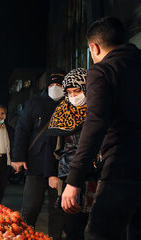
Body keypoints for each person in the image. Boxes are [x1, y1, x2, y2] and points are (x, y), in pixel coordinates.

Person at [62, 16, 141, 239]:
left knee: (99, 233)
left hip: (122, 169)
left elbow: (95, 124)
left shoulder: (103, 71)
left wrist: (74, 179)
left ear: (93, 47)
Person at [11, 70, 66, 240]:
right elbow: (22, 130)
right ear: (46, 86)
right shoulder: (34, 103)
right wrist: (18, 157)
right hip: (36, 164)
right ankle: (26, 236)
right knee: (31, 207)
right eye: (51, 84)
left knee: (58, 210)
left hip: (60, 166)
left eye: (59, 84)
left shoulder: (70, 104)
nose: (55, 88)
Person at [45, 68, 96, 239]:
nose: (73, 96)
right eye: (69, 92)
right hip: (68, 177)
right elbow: (53, 147)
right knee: (71, 225)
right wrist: (52, 174)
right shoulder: (61, 112)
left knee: (93, 225)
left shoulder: (98, 110)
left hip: (95, 177)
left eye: (78, 91)